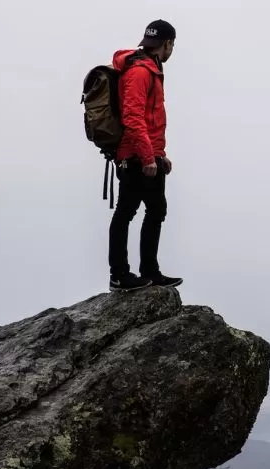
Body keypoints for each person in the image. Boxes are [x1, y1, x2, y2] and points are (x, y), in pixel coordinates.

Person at [107, 19, 183, 291]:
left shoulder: (150, 68)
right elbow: (133, 117)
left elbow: (150, 119)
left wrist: (160, 154)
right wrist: (148, 157)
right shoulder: (140, 71)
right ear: (167, 43)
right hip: (136, 156)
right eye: (173, 44)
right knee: (126, 212)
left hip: (147, 153)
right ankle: (119, 275)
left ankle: (149, 272)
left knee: (156, 210)